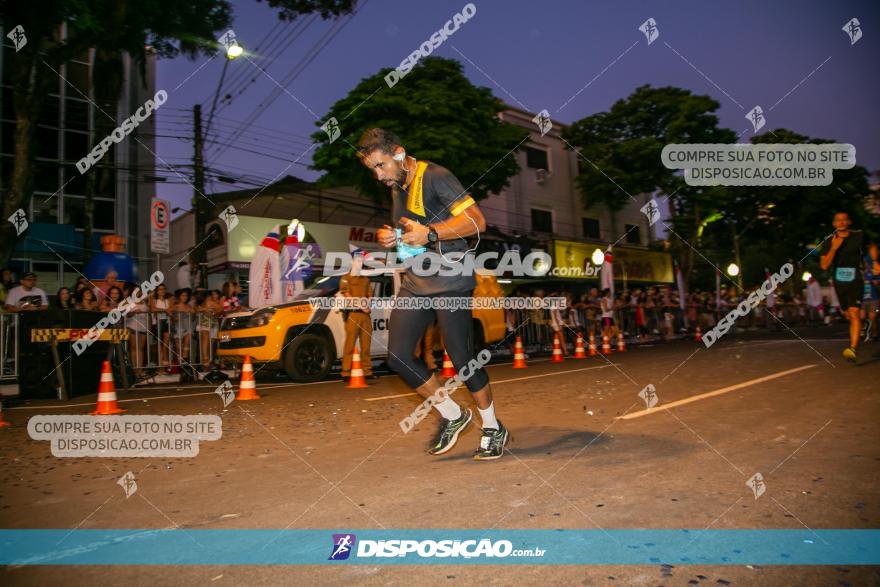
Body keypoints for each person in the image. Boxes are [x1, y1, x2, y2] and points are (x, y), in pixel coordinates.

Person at [358, 127, 508, 460]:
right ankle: (454, 415)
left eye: (381, 165)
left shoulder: (436, 176)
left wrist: (430, 233)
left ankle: (493, 426)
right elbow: (409, 230)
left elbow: (476, 221)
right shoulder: (398, 186)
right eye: (373, 170)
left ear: (398, 153)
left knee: (463, 360)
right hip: (416, 280)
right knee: (397, 356)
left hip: (451, 278)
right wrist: (393, 235)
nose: (379, 175)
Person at [819, 212, 865, 362]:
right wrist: (834, 248)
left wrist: (875, 261)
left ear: (849, 222)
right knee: (848, 314)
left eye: (844, 220)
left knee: (854, 313)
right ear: (834, 224)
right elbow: (824, 265)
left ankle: (852, 348)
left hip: (856, 279)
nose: (841, 222)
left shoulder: (859, 236)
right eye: (838, 220)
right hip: (840, 282)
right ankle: (857, 331)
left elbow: (871, 246)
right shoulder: (828, 241)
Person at [339, 251, 375, 380]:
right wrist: (362, 306)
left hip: (365, 316)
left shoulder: (365, 279)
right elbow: (347, 296)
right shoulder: (345, 279)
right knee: (350, 344)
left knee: (366, 345)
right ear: (351, 262)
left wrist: (367, 304)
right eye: (357, 261)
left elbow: (370, 295)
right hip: (353, 315)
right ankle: (346, 372)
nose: (360, 263)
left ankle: (367, 371)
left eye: (361, 261)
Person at [150, 283, 172, 367]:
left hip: (166, 322)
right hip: (157, 323)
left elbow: (171, 309)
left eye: (163, 289)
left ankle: (164, 360)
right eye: (160, 289)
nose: (162, 291)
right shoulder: (154, 300)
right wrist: (165, 310)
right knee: (160, 344)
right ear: (157, 291)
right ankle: (161, 363)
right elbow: (153, 309)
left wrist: (164, 311)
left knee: (165, 342)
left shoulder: (167, 301)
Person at [861, 242, 879, 342]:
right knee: (862, 317)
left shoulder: (875, 267)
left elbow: (877, 281)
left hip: (874, 298)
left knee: (873, 317)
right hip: (862, 298)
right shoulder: (860, 270)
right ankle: (865, 331)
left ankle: (874, 333)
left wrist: (874, 281)